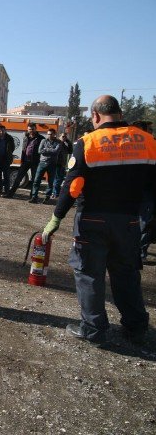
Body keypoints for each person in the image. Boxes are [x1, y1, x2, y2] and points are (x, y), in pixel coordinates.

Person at [41, 95, 156, 345]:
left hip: (92, 220)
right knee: (126, 274)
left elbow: (72, 186)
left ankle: (94, 329)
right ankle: (136, 327)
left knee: (89, 274)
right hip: (129, 222)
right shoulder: (147, 141)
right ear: (120, 112)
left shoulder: (88, 142)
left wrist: (56, 218)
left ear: (95, 115)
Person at [132, 120, 155, 261]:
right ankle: (137, 252)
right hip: (138, 191)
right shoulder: (130, 147)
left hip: (147, 190)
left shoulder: (152, 146)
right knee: (140, 222)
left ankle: (139, 252)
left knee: (144, 222)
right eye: (149, 129)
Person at [2, 124, 44, 198]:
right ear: (27, 129)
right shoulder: (26, 137)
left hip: (35, 162)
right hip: (25, 161)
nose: (31, 131)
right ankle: (10, 194)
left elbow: (42, 150)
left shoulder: (41, 138)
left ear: (36, 129)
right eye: (29, 129)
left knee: (35, 180)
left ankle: (33, 197)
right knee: (18, 179)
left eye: (32, 129)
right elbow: (24, 149)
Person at [29, 129, 61, 204]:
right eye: (48, 134)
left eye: (51, 134)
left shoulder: (58, 142)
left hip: (52, 164)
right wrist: (50, 150)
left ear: (54, 134)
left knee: (50, 182)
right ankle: (34, 197)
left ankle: (47, 197)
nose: (49, 135)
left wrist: (45, 149)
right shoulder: (43, 141)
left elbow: (56, 152)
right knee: (36, 180)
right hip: (42, 163)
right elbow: (39, 151)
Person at [51, 132, 73, 199]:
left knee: (60, 179)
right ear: (59, 136)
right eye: (63, 136)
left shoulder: (65, 144)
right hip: (57, 164)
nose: (64, 138)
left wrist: (68, 142)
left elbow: (70, 151)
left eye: (65, 137)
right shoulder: (57, 143)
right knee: (57, 179)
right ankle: (55, 193)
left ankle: (55, 193)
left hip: (62, 164)